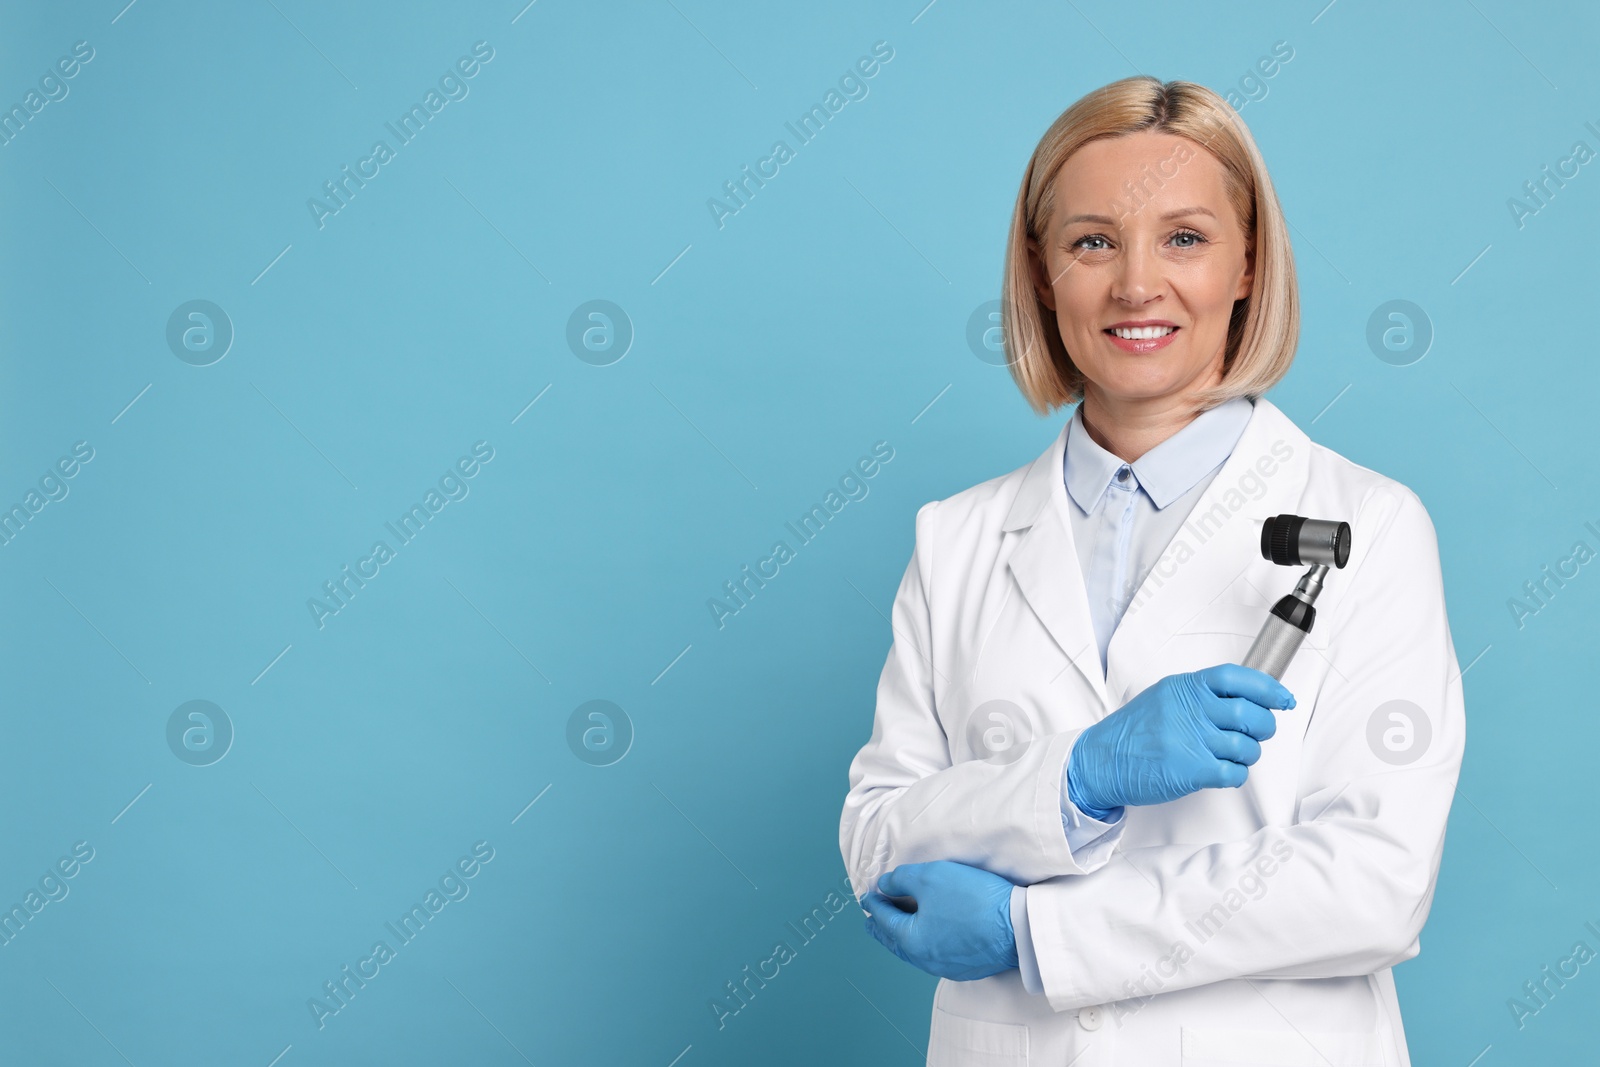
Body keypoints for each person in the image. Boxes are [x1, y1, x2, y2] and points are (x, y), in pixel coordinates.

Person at [839, 75, 1464, 1066]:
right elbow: (880, 843)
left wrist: (1034, 933)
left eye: (1183, 237)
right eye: (1092, 240)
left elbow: (1372, 884)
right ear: (1042, 272)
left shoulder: (1371, 524)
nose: (1136, 283)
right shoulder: (955, 538)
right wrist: (1078, 779)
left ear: (1248, 262)